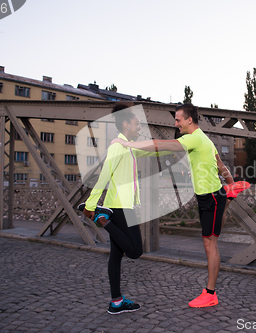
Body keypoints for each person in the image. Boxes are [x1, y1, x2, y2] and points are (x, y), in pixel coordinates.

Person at [111, 103, 234, 308]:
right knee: (211, 239)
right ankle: (228, 196)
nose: (175, 124)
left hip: (211, 196)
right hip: (210, 195)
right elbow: (221, 166)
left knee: (210, 244)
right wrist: (231, 183)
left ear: (189, 120)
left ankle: (210, 293)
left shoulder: (193, 138)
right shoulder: (205, 140)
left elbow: (163, 145)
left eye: (178, 120)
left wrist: (130, 145)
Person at [81, 103, 151, 315]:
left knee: (115, 255)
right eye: (137, 124)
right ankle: (104, 221)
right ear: (125, 124)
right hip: (120, 208)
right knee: (136, 251)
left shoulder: (127, 147)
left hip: (122, 205)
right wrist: (91, 206)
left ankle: (116, 302)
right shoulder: (116, 148)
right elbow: (103, 178)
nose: (139, 127)